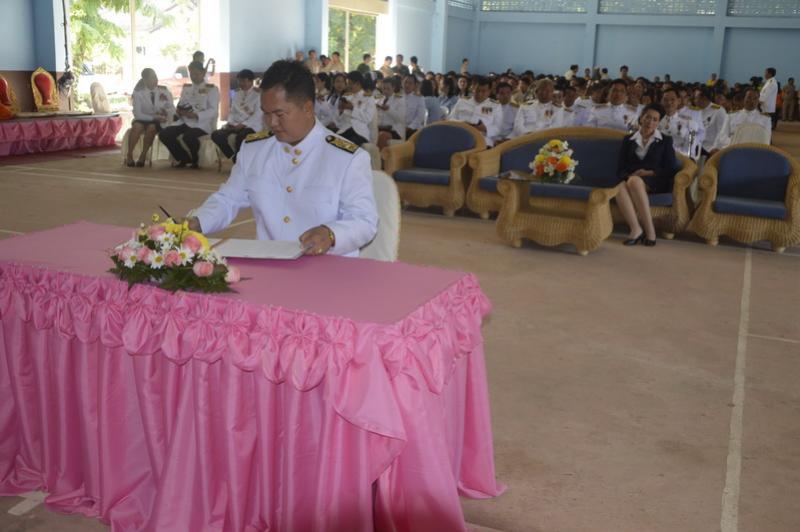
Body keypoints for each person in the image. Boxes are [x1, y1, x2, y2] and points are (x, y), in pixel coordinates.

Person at [187, 60, 377, 257]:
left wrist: (331, 234)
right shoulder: (254, 150)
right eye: (266, 114)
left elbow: (365, 221)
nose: (272, 122)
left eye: (279, 114)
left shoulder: (346, 158)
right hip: (270, 264)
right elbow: (229, 198)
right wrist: (196, 222)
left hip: (326, 267)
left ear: (308, 108)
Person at [615, 103, 677, 247]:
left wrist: (649, 172)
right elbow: (620, 169)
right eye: (648, 117)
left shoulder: (666, 141)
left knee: (634, 181)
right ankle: (636, 229)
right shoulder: (628, 140)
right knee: (620, 187)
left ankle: (650, 231)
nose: (650, 122)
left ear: (658, 122)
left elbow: (670, 168)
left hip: (656, 180)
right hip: (632, 179)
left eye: (655, 119)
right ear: (641, 118)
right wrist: (631, 175)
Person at [158, 61, 219, 168]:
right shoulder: (187, 88)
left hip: (202, 123)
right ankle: (184, 158)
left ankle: (195, 160)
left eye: (196, 74)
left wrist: (197, 115)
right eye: (192, 74)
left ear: (203, 73)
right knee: (164, 134)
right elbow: (181, 103)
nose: (194, 77)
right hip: (185, 121)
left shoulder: (211, 89)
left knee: (188, 137)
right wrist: (179, 111)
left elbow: (213, 110)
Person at [127, 68, 175, 167]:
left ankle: (143, 155)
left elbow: (171, 108)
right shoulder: (138, 93)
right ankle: (129, 154)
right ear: (145, 80)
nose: (155, 79)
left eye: (155, 77)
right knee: (137, 127)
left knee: (152, 128)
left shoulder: (164, 91)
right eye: (152, 77)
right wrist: (153, 118)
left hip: (158, 121)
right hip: (142, 118)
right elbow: (137, 114)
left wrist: (166, 113)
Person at [211, 69, 262, 162]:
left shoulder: (258, 95)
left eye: (244, 81)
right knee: (216, 135)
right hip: (235, 125)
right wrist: (229, 122)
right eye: (239, 81)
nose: (241, 83)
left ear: (251, 81)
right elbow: (232, 111)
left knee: (241, 137)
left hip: (251, 126)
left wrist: (243, 124)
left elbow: (258, 115)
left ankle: (239, 160)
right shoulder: (237, 94)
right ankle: (232, 156)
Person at [449, 76, 501, 146]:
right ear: (472, 89)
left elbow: (498, 128)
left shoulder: (495, 106)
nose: (480, 94)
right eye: (477, 90)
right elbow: (450, 119)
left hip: (483, 142)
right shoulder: (462, 102)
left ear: (489, 92)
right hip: (460, 138)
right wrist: (462, 123)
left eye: (483, 91)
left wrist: (485, 129)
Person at [658, 88, 703, 159]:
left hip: (679, 159)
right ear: (661, 101)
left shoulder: (689, 124)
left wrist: (672, 153)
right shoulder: (655, 121)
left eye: (672, 99)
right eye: (665, 100)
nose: (669, 102)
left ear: (678, 101)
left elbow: (689, 151)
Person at [335, 71, 376, 146]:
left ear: (358, 83)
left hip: (360, 132)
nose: (348, 86)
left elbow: (367, 118)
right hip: (345, 129)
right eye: (348, 83)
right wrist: (340, 111)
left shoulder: (368, 98)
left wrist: (352, 108)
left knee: (346, 146)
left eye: (350, 83)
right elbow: (340, 120)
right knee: (332, 143)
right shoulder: (347, 97)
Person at [692, 86, 727, 156]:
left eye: (696, 98)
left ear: (705, 98)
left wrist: (716, 148)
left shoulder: (718, 111)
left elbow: (722, 132)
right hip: (695, 146)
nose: (694, 100)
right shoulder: (695, 111)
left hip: (709, 148)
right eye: (694, 98)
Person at [376, 76, 405, 149]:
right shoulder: (379, 99)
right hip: (380, 127)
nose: (385, 91)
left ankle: (381, 156)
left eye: (388, 89)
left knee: (382, 136)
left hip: (394, 130)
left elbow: (400, 119)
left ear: (393, 88)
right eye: (384, 88)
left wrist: (388, 110)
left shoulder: (399, 100)